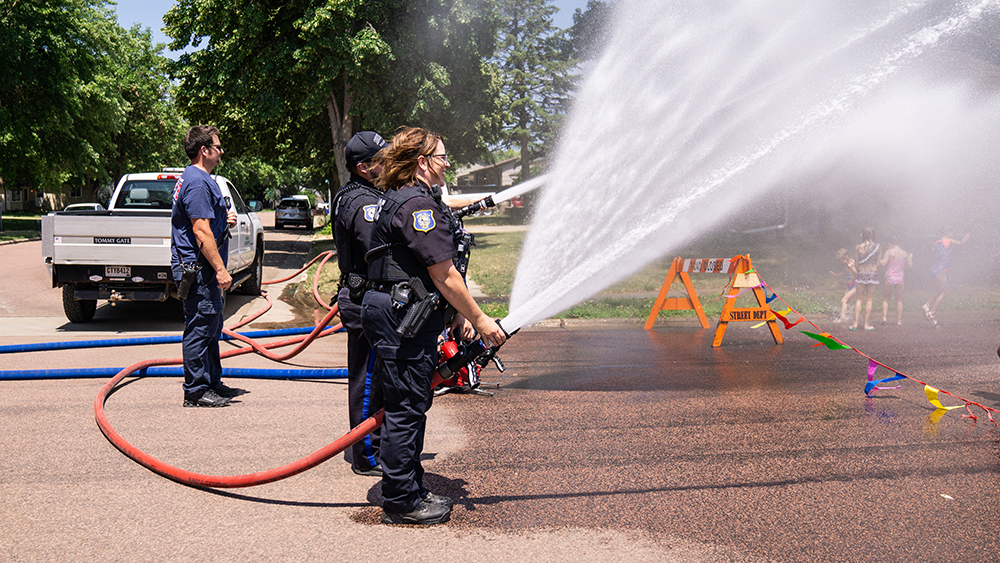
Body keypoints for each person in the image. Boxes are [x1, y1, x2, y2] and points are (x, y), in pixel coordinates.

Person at [362, 127, 506, 526]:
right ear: (422, 162)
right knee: (406, 408)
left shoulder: (408, 200)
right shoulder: (415, 207)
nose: (447, 164)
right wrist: (478, 317)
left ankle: (410, 485)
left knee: (411, 404)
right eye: (442, 157)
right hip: (401, 320)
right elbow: (443, 274)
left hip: (403, 316)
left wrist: (456, 314)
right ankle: (402, 502)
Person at [171, 125, 240, 407]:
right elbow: (200, 231)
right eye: (218, 146)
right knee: (201, 327)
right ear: (205, 150)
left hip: (204, 269)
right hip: (199, 270)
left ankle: (212, 382)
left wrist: (226, 221)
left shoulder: (200, 178)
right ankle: (196, 391)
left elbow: (206, 223)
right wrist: (221, 270)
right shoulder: (197, 182)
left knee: (212, 327)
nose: (222, 151)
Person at [333, 131, 387, 477]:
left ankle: (371, 444)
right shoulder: (363, 204)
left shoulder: (360, 194)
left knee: (375, 377)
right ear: (364, 167)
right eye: (382, 158)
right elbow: (377, 251)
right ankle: (365, 453)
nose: (389, 163)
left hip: (364, 295)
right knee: (367, 381)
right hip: (362, 296)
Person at [922, 227, 970, 326]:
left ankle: (927, 305)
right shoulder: (949, 241)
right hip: (941, 271)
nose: (952, 235)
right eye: (952, 233)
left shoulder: (936, 243)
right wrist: (968, 233)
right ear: (948, 233)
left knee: (937, 290)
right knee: (943, 293)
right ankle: (932, 313)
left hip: (934, 270)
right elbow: (961, 243)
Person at [849, 227, 880, 331]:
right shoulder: (878, 247)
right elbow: (878, 264)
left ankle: (855, 324)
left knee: (859, 299)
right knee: (869, 300)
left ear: (863, 235)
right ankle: (866, 325)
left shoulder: (858, 247)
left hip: (861, 273)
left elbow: (857, 265)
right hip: (873, 274)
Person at [879, 237, 912, 325]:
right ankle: (899, 321)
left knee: (886, 298)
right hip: (900, 278)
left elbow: (883, 264)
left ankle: (884, 318)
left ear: (890, 243)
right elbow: (910, 266)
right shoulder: (905, 254)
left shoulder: (889, 252)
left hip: (890, 277)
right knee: (899, 300)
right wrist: (910, 257)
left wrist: (879, 259)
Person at [829, 248, 856, 323]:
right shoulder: (846, 264)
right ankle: (850, 316)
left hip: (855, 286)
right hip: (849, 286)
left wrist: (852, 267)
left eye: (842, 261)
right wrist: (836, 275)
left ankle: (842, 318)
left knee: (843, 300)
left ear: (847, 257)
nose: (842, 263)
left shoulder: (852, 262)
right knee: (846, 302)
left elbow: (857, 274)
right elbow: (844, 272)